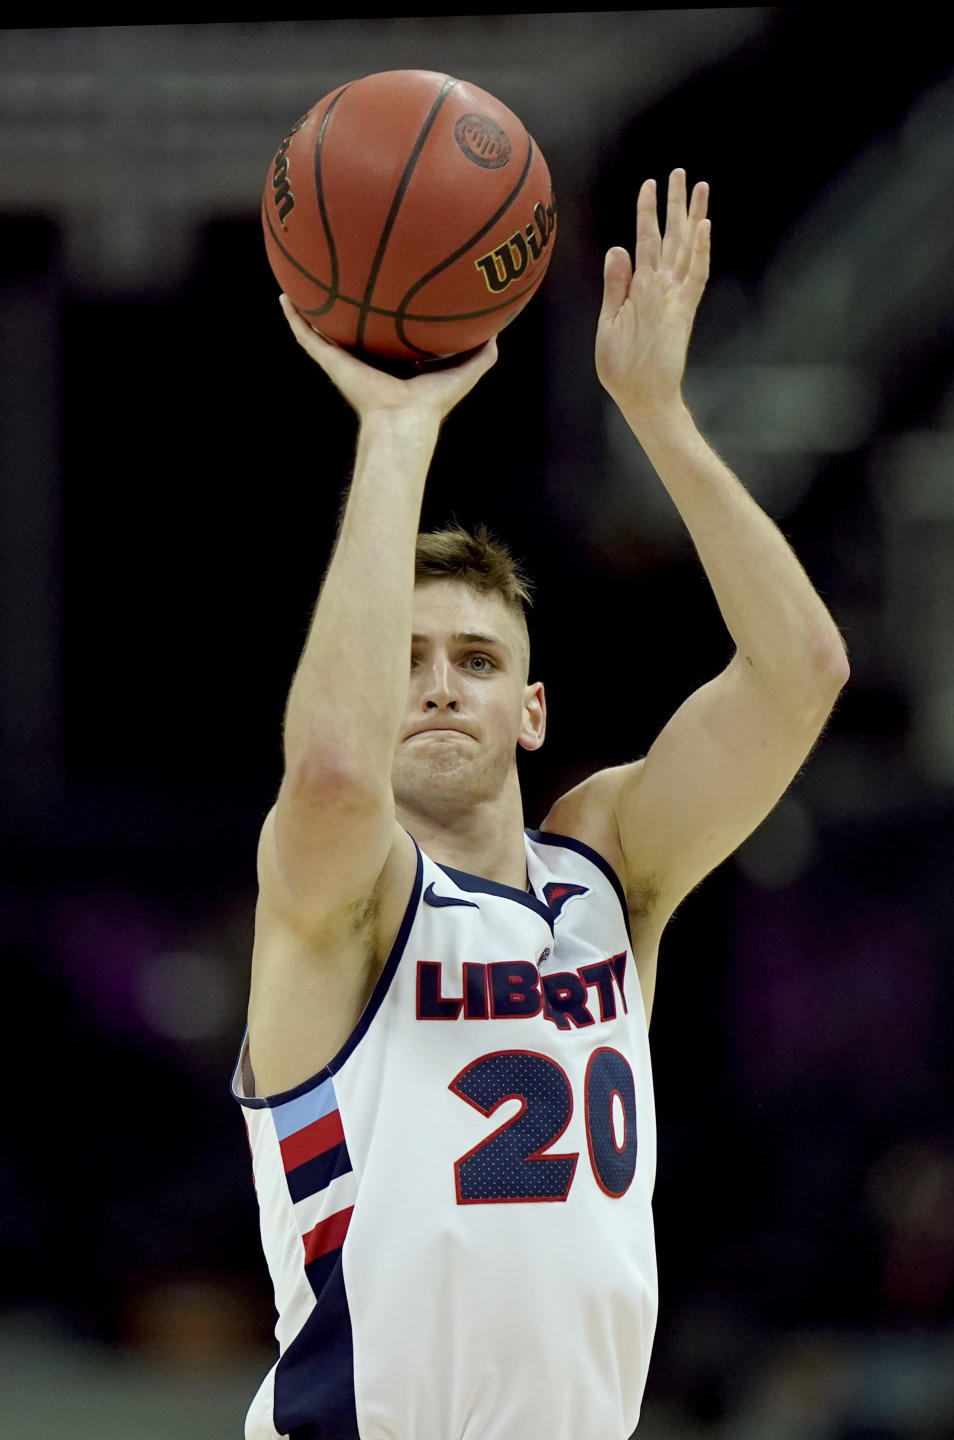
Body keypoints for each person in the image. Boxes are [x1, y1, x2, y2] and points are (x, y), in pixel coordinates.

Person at [231, 170, 849, 1440]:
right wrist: (398, 429)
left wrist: (662, 418)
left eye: (475, 660)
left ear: (533, 710)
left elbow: (802, 675)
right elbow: (335, 774)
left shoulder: (607, 869)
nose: (438, 688)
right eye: (401, 661)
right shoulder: (343, 905)